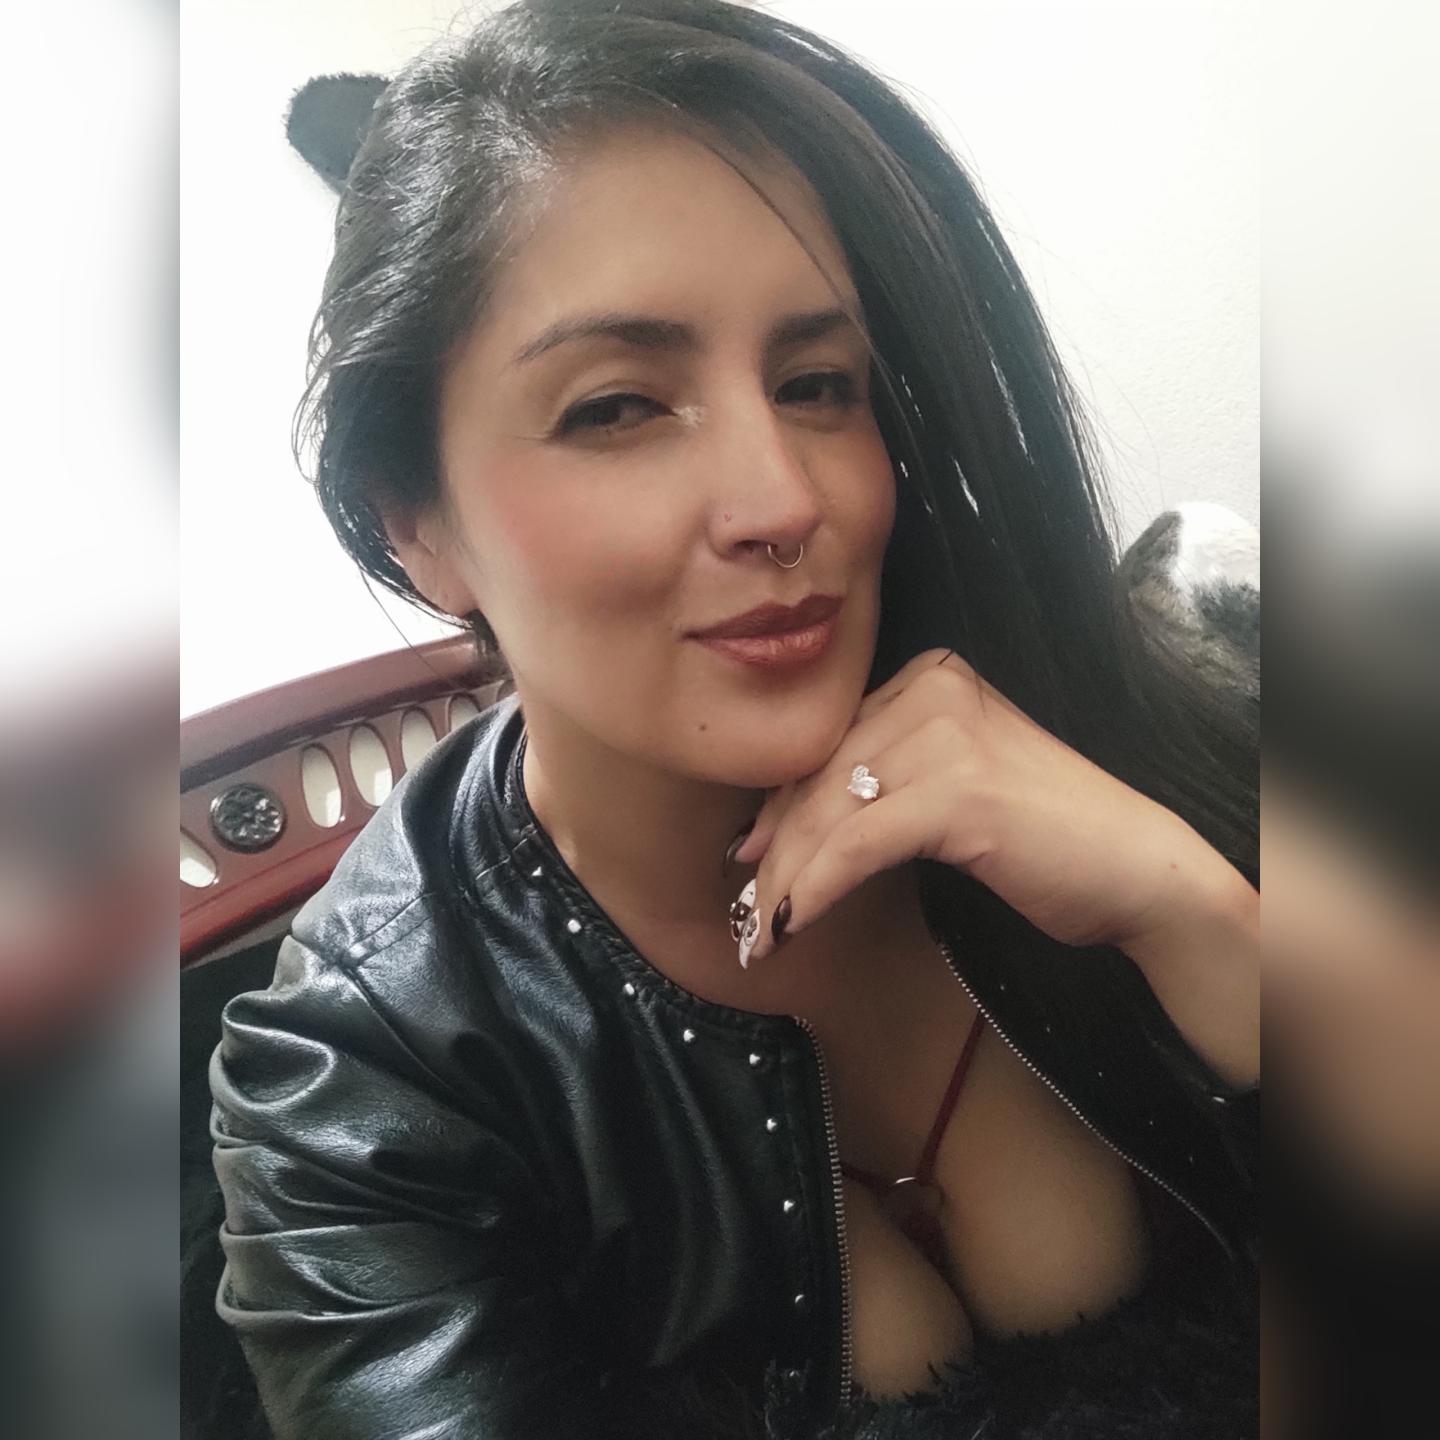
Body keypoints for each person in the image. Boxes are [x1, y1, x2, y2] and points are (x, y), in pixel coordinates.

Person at [209, 2, 1260, 1435]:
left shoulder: (1089, 718)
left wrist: (1198, 920)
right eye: (618, 408)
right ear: (418, 526)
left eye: (818, 385)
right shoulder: (358, 1084)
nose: (785, 500)